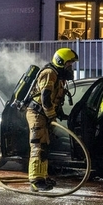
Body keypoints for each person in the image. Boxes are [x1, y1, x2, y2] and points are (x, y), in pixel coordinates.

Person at [26, 47, 79, 192]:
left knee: (45, 146)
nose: (71, 68)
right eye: (69, 64)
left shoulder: (59, 77)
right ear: (61, 62)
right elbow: (45, 98)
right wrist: (51, 115)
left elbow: (56, 99)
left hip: (44, 115)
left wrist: (60, 115)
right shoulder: (49, 73)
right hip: (37, 114)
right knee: (38, 146)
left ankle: (43, 176)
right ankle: (36, 181)